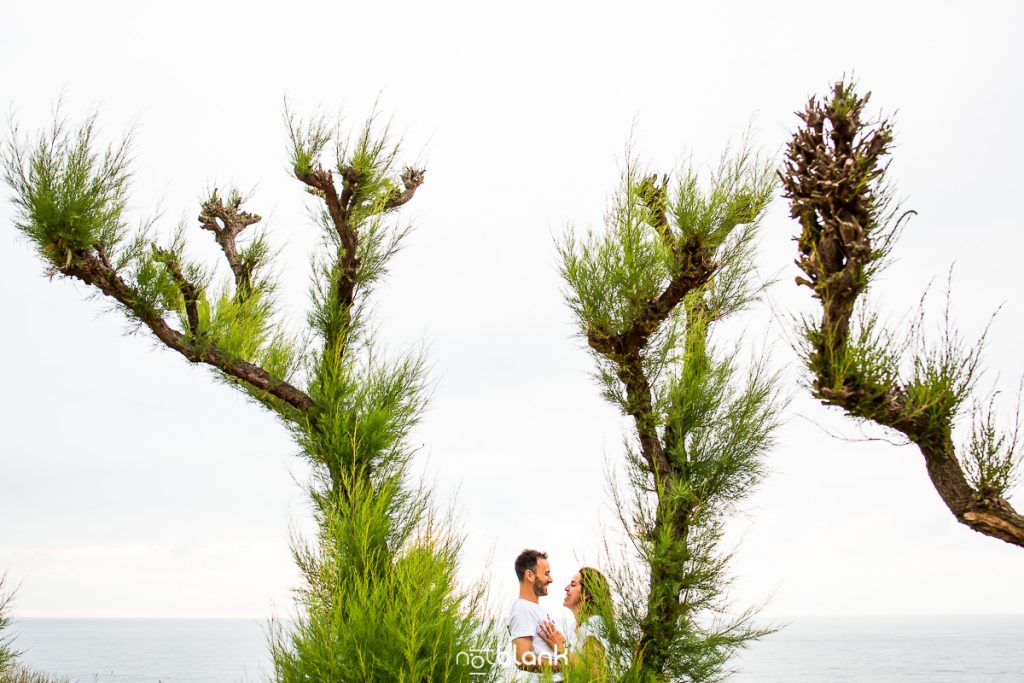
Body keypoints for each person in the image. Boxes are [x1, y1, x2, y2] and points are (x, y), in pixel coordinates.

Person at [537, 566, 612, 676]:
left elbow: (596, 672)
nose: (566, 588)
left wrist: (560, 648)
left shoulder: (595, 623)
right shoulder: (575, 626)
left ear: (586, 594)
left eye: (573, 584)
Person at [508, 549, 566, 682]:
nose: (550, 580)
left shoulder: (534, 609)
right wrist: (566, 665)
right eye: (546, 574)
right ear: (529, 575)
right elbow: (523, 658)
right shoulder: (522, 609)